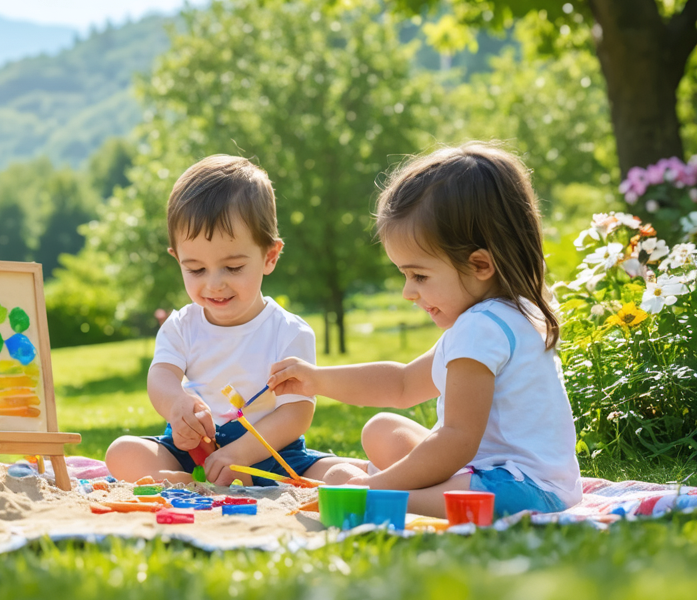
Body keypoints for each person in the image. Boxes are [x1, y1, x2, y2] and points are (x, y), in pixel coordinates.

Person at [268, 143, 582, 517]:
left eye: (419, 275)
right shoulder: (507, 314)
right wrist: (317, 379)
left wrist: (371, 487)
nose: (408, 291)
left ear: (480, 264)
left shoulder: (480, 329)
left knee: (373, 486)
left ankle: (377, 496)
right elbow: (401, 384)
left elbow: (457, 440)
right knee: (382, 428)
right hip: (513, 479)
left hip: (517, 489)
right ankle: (384, 488)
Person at [105, 155, 361, 486]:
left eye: (233, 267)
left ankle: (216, 483)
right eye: (196, 269)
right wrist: (176, 406)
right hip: (193, 451)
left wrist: (239, 455)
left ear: (269, 256)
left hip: (267, 452)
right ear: (177, 259)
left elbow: (296, 413)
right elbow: (162, 376)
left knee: (341, 477)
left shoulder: (288, 331)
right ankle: (191, 482)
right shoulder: (182, 325)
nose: (214, 284)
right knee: (122, 451)